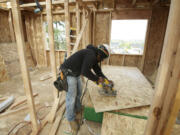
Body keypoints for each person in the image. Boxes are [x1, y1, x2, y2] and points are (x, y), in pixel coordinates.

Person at [60, 44, 112, 135]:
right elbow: (85, 72)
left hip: (75, 73)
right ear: (101, 55)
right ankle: (71, 120)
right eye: (103, 59)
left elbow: (98, 71)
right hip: (68, 73)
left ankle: (78, 110)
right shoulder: (91, 55)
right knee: (71, 98)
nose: (102, 60)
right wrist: (97, 79)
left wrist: (106, 80)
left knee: (79, 93)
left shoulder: (95, 56)